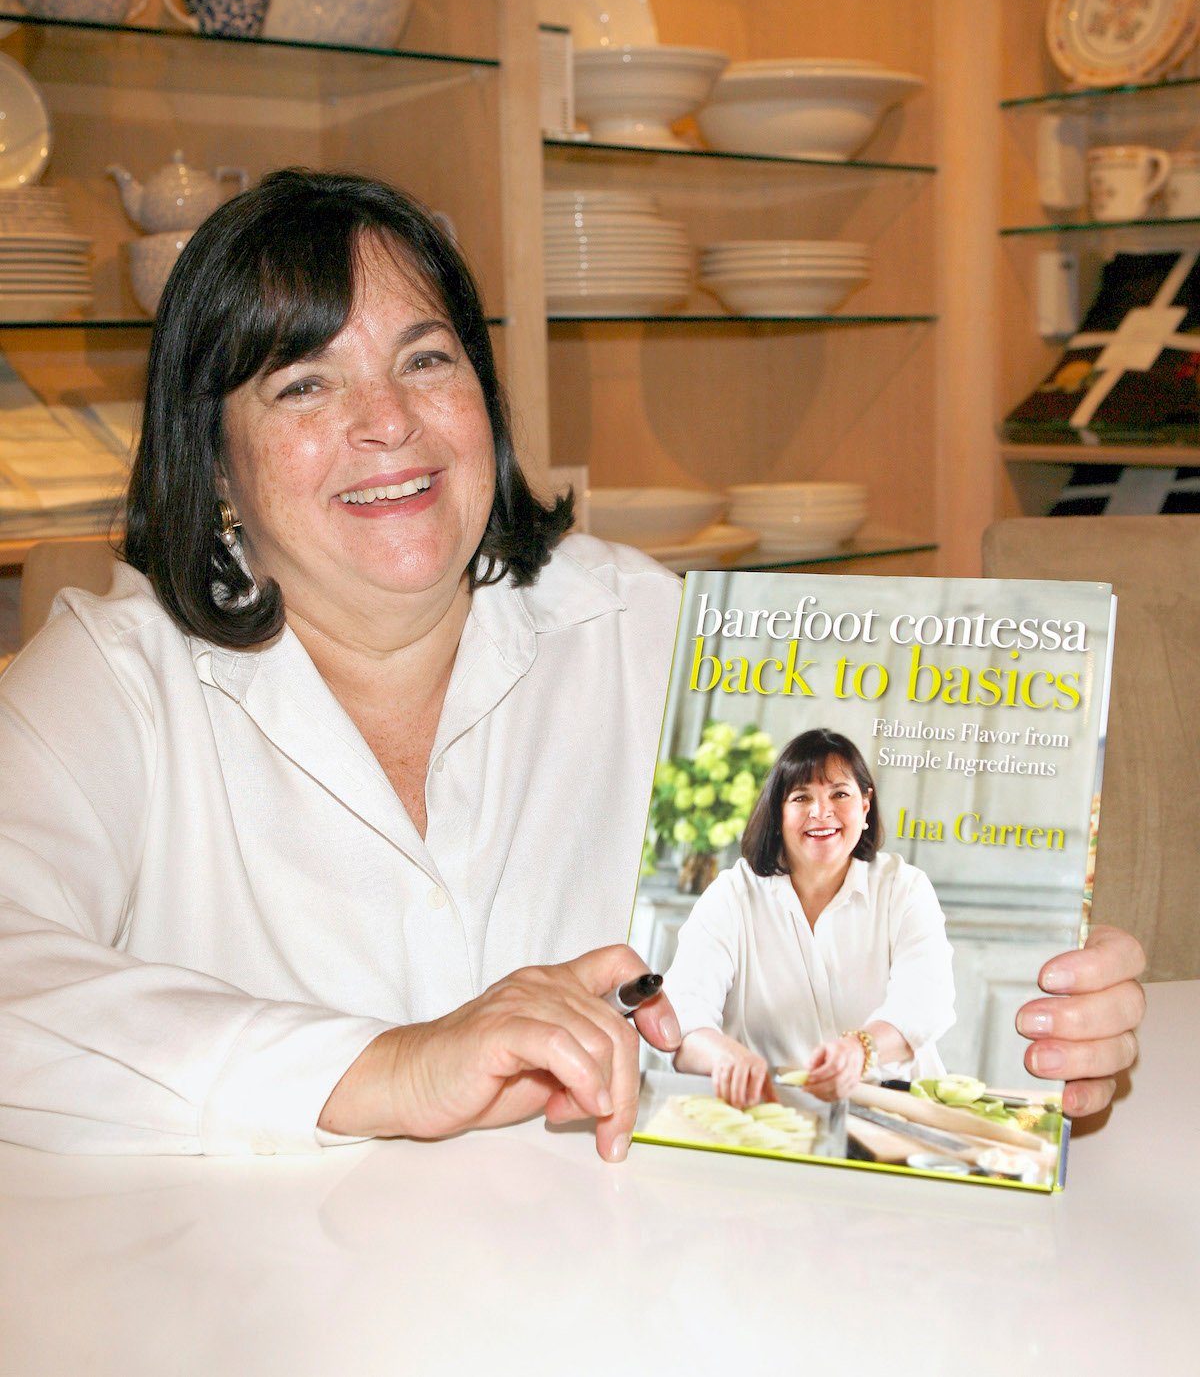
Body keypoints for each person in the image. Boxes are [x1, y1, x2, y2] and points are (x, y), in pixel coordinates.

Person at [0, 171, 1144, 1163]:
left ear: (484, 406)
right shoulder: (114, 675)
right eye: (304, 382)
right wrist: (389, 1067)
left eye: (426, 358)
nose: (389, 420)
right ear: (214, 461)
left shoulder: (646, 625)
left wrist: (1040, 1023)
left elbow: (892, 926)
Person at [667, 729, 955, 1108]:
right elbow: (681, 1017)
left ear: (865, 807)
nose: (822, 812)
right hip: (777, 1112)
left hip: (897, 1109)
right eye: (802, 797)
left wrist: (860, 1049)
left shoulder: (905, 888)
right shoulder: (731, 896)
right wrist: (726, 1057)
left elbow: (925, 1002)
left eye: (840, 794)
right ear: (778, 814)